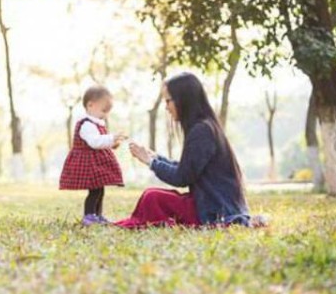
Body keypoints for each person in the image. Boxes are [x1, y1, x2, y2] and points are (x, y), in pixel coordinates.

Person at [114, 72, 254, 228]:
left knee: (151, 197)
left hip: (214, 211)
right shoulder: (204, 127)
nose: (166, 107)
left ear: (183, 100)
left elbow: (182, 177)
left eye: (168, 101)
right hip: (208, 203)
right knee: (152, 195)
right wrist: (156, 158)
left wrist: (151, 162)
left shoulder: (202, 131)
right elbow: (187, 168)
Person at [60, 85, 127, 226]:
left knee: (100, 190)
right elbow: (95, 142)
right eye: (103, 110)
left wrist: (112, 143)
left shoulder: (96, 123)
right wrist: (111, 138)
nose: (105, 115)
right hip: (89, 165)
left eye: (107, 112)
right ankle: (89, 215)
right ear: (90, 105)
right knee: (94, 191)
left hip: (96, 164)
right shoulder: (86, 124)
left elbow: (100, 141)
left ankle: (98, 215)